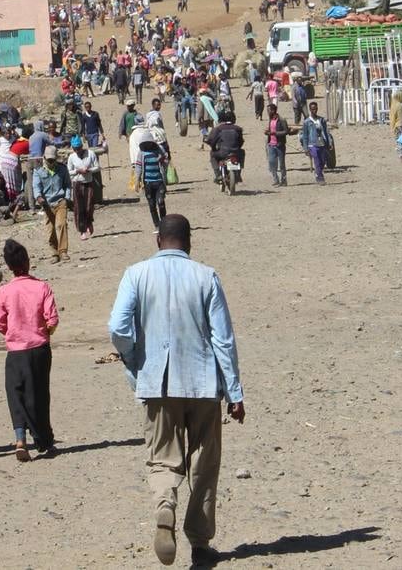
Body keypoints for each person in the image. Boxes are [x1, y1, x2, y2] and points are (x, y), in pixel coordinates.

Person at [107, 215, 245, 568]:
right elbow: (222, 339)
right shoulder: (206, 276)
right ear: (189, 242)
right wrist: (235, 391)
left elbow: (118, 327)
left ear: (158, 241)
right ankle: (199, 542)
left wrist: (136, 360)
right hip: (202, 383)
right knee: (204, 461)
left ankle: (165, 504)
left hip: (157, 382)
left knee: (162, 457)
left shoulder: (135, 274)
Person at [0, 239, 59, 461]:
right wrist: (44, 333)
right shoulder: (42, 287)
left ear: (9, 266)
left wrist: (15, 334)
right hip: (40, 348)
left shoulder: (4, 292)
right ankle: (42, 439)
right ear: (28, 262)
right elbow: (52, 320)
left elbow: (1, 324)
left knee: (16, 394)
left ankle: (20, 438)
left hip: (15, 352)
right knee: (40, 394)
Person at [32, 146, 72, 262]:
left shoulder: (62, 169)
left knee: (61, 225)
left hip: (60, 201)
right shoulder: (38, 171)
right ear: (44, 158)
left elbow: (68, 184)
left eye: (52, 160)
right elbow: (36, 186)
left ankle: (63, 251)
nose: (50, 162)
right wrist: (39, 197)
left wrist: (67, 198)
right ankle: (54, 253)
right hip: (47, 204)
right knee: (50, 230)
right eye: (48, 160)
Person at [67, 136, 99, 240]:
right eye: (75, 149)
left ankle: (89, 222)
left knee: (89, 206)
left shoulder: (90, 154)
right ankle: (82, 230)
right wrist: (77, 171)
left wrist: (89, 170)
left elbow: (97, 167)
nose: (77, 151)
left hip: (88, 183)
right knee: (79, 207)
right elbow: (69, 171)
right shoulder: (72, 157)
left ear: (82, 146)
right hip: (77, 183)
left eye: (79, 148)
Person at [137, 137, 169, 230]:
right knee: (152, 204)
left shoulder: (159, 149)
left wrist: (162, 159)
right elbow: (139, 166)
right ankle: (157, 225)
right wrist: (137, 181)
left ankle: (163, 222)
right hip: (148, 183)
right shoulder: (141, 153)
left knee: (161, 202)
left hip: (159, 181)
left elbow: (166, 161)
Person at [205, 111, 244, 187]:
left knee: (212, 155)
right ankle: (238, 173)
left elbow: (212, 140)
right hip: (236, 152)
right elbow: (241, 141)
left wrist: (213, 147)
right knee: (242, 152)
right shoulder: (238, 128)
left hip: (223, 152)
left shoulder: (218, 128)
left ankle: (218, 174)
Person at [299, 101, 331, 183]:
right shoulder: (307, 122)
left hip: (322, 143)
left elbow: (326, 132)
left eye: (316, 109)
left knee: (323, 161)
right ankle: (320, 178)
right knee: (316, 160)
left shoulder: (321, 120)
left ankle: (317, 173)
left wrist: (329, 142)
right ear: (310, 109)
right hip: (312, 144)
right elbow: (305, 135)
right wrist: (306, 148)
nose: (314, 110)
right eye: (313, 109)